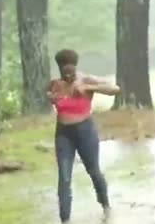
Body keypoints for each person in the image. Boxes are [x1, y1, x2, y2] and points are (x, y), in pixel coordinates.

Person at [47, 49, 120, 223]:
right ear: (60, 70)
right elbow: (47, 96)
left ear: (75, 68)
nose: (69, 76)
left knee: (93, 170)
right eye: (65, 73)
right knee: (64, 176)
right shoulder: (55, 84)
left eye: (71, 72)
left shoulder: (86, 80)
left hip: (85, 130)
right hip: (64, 133)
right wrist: (50, 97)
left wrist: (89, 87)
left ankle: (105, 205)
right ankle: (65, 219)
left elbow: (115, 89)